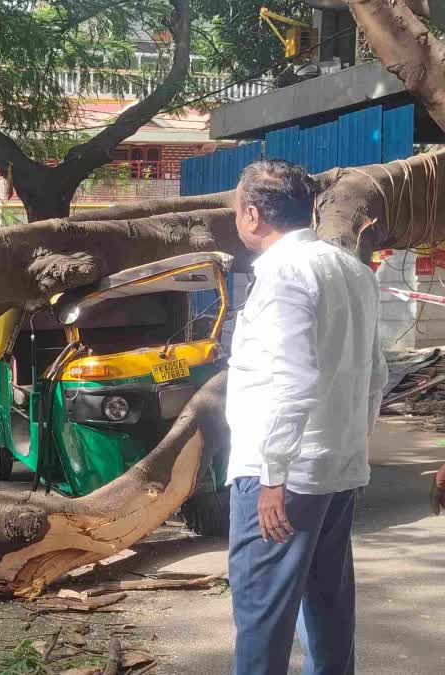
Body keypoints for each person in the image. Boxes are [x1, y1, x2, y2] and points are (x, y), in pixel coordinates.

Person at [225, 159, 386, 674]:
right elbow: (376, 374)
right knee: (329, 604)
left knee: (262, 615)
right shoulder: (353, 271)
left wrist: (273, 476)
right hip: (334, 468)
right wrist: (353, 443)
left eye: (236, 209)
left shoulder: (282, 275)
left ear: (252, 214)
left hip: (282, 477)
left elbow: (291, 382)